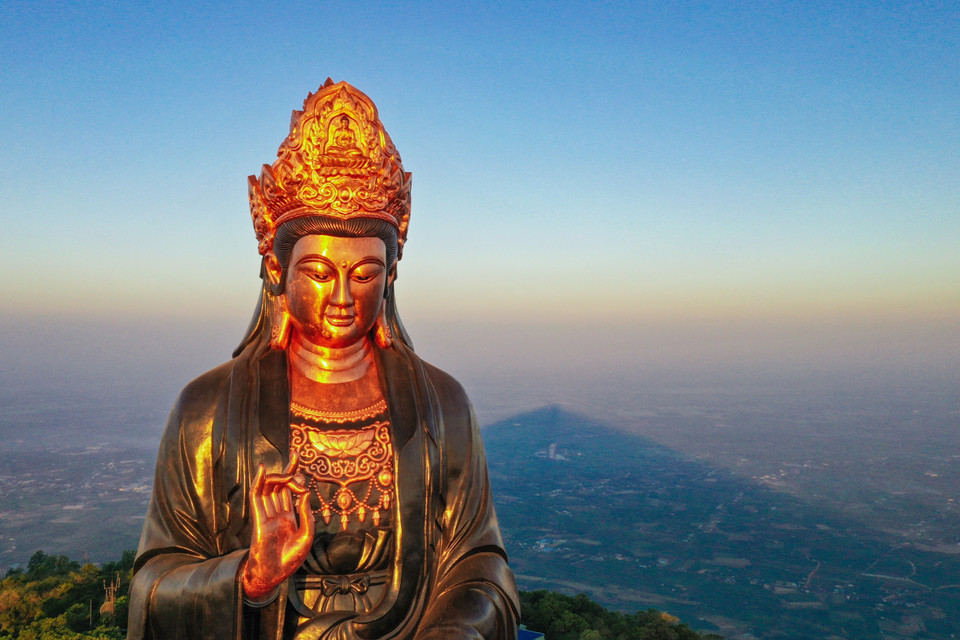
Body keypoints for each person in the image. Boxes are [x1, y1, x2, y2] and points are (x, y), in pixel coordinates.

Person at [127, 80, 519, 640]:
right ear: (277, 269)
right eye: (317, 272)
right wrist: (251, 577)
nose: (342, 296)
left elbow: (481, 566)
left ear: (390, 274)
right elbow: (155, 581)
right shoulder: (208, 409)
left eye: (364, 274)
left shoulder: (441, 403)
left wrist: (451, 631)